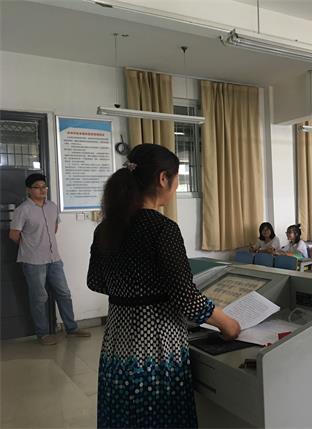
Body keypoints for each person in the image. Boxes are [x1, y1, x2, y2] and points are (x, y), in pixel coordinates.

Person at [87, 144, 240, 428]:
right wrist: (228, 324)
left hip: (117, 340)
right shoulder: (162, 228)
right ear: (162, 178)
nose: (177, 184)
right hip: (156, 343)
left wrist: (131, 291)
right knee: (158, 416)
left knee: (124, 415)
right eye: (177, 177)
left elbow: (95, 281)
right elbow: (187, 299)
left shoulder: (105, 228)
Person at [9, 173, 91, 346]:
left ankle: (71, 328)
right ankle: (43, 333)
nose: (42, 190)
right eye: (37, 187)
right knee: (39, 298)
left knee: (64, 293)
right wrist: (31, 246)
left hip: (54, 258)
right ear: (29, 190)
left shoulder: (52, 207)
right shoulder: (23, 210)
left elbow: (53, 229)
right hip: (33, 260)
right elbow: (14, 235)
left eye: (44, 187)